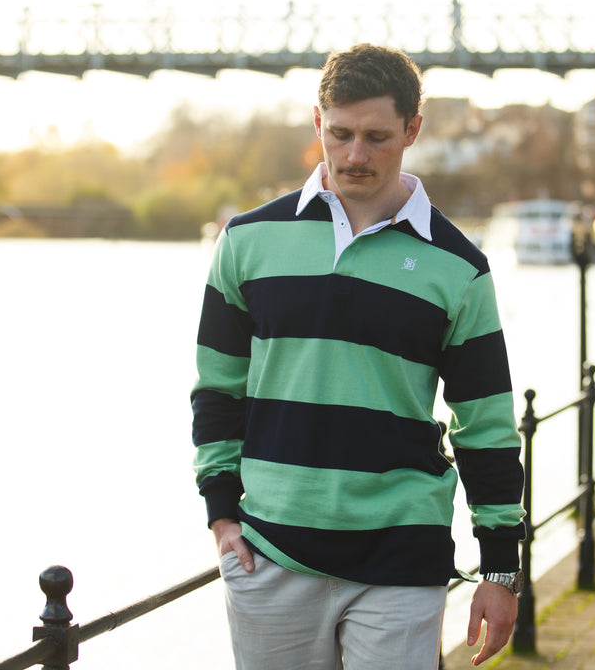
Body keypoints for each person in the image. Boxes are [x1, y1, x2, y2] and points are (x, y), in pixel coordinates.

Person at [190, 43, 526, 669]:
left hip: (402, 556)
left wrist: (501, 569)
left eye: (376, 137)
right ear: (318, 122)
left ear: (412, 131)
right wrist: (220, 512)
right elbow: (217, 388)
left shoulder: (459, 267)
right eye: (340, 134)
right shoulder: (247, 241)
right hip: (270, 552)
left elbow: (484, 422)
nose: (355, 155)